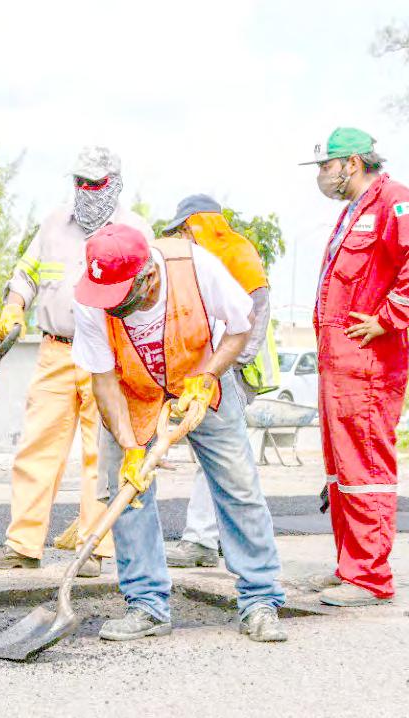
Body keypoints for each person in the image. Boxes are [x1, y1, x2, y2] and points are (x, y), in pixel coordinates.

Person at [72, 223, 287, 642]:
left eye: (119, 297)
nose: (108, 305)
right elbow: (103, 380)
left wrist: (207, 377)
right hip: (134, 387)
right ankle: (147, 605)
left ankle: (260, 599)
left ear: (148, 278)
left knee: (239, 486)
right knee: (128, 491)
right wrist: (131, 446)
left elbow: (241, 326)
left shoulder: (196, 266)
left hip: (203, 376)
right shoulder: (91, 296)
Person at [0, 147, 154, 577]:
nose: (86, 190)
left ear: (115, 183)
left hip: (107, 357)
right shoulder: (54, 223)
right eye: (80, 182)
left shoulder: (135, 230)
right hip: (55, 350)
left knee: (100, 454)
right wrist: (14, 306)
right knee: (37, 446)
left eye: (96, 183)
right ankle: (23, 545)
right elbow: (26, 273)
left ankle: (93, 548)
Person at [302, 127, 409, 606]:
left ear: (353, 163)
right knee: (342, 470)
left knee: (365, 466)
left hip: (368, 365)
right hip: (339, 364)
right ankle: (350, 566)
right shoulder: (353, 211)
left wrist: (389, 317)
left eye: (327, 165)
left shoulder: (394, 200)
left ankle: (369, 578)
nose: (323, 175)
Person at [157, 195, 280, 568]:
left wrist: (232, 362)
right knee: (222, 457)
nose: (182, 238)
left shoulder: (236, 252)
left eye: (183, 230)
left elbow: (258, 308)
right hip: (216, 367)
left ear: (197, 224)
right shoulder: (207, 257)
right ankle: (222, 536)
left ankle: (202, 539)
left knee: (222, 455)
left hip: (233, 370)